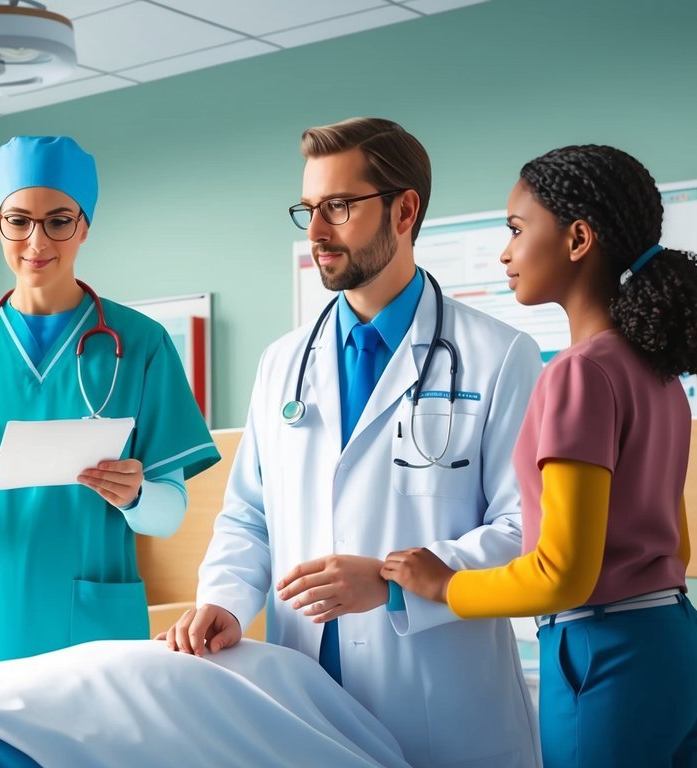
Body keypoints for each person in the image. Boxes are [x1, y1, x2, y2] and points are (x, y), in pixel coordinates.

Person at [163, 117, 544, 768]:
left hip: (445, 707)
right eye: (308, 210)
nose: (315, 232)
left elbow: (524, 530)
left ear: (403, 210)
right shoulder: (283, 363)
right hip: (307, 698)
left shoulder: (499, 354)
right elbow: (247, 516)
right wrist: (224, 602)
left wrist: (393, 582)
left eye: (337, 207)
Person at [382, 144, 697, 767]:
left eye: (517, 229)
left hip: (607, 656)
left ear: (577, 239)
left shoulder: (579, 374)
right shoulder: (657, 370)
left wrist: (444, 586)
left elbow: (561, 574)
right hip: (680, 646)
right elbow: (677, 545)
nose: (505, 252)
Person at [0, 135, 220, 677]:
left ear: (84, 226)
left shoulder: (141, 344)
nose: (37, 240)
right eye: (19, 220)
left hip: (88, 623)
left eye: (59, 220)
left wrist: (134, 496)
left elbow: (170, 512)